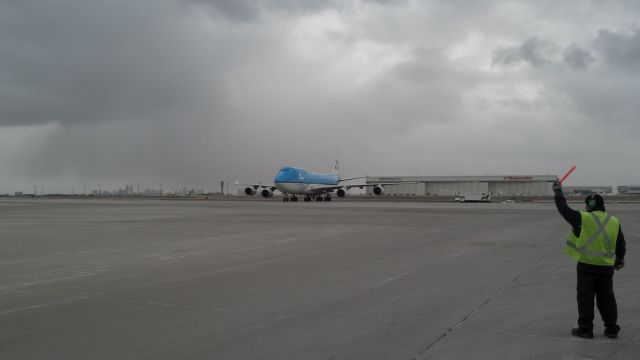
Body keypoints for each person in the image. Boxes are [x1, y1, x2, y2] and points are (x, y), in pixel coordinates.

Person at [553, 180, 626, 339]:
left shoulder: (584, 218)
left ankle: (585, 329)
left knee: (585, 298)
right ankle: (612, 328)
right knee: (607, 297)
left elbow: (563, 210)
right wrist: (619, 259)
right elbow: (621, 243)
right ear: (602, 205)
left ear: (589, 206)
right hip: (606, 267)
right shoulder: (614, 221)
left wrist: (558, 192)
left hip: (587, 266)